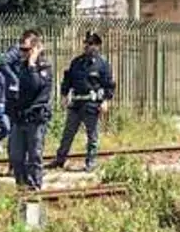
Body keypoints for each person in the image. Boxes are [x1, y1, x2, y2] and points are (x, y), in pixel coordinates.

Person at [53, 31, 115, 171]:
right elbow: (68, 80)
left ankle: (91, 162)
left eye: (91, 44)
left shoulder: (102, 65)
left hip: (91, 105)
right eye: (86, 43)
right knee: (67, 134)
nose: (87, 46)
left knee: (92, 135)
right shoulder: (77, 62)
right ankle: (60, 159)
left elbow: (108, 85)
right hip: (76, 104)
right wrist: (64, 95)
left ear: (98, 46)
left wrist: (105, 101)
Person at [10, 38, 54, 190]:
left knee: (34, 155)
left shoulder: (44, 67)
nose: (22, 52)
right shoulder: (20, 67)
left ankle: (35, 186)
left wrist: (31, 65)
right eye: (21, 49)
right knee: (16, 156)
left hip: (35, 118)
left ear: (36, 50)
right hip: (20, 117)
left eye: (26, 50)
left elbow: (35, 85)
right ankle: (21, 185)